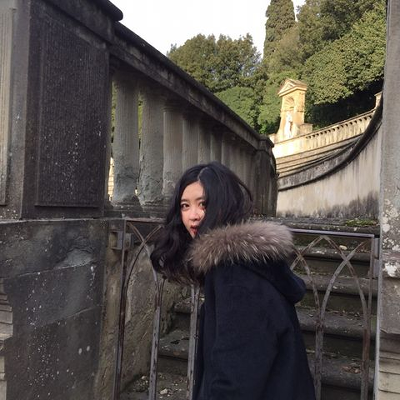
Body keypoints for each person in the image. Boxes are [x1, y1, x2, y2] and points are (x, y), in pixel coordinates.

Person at [151, 161, 316, 400]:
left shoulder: (235, 275)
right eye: (185, 206)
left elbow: (235, 378)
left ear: (225, 204)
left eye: (203, 204)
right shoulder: (243, 265)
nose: (193, 216)